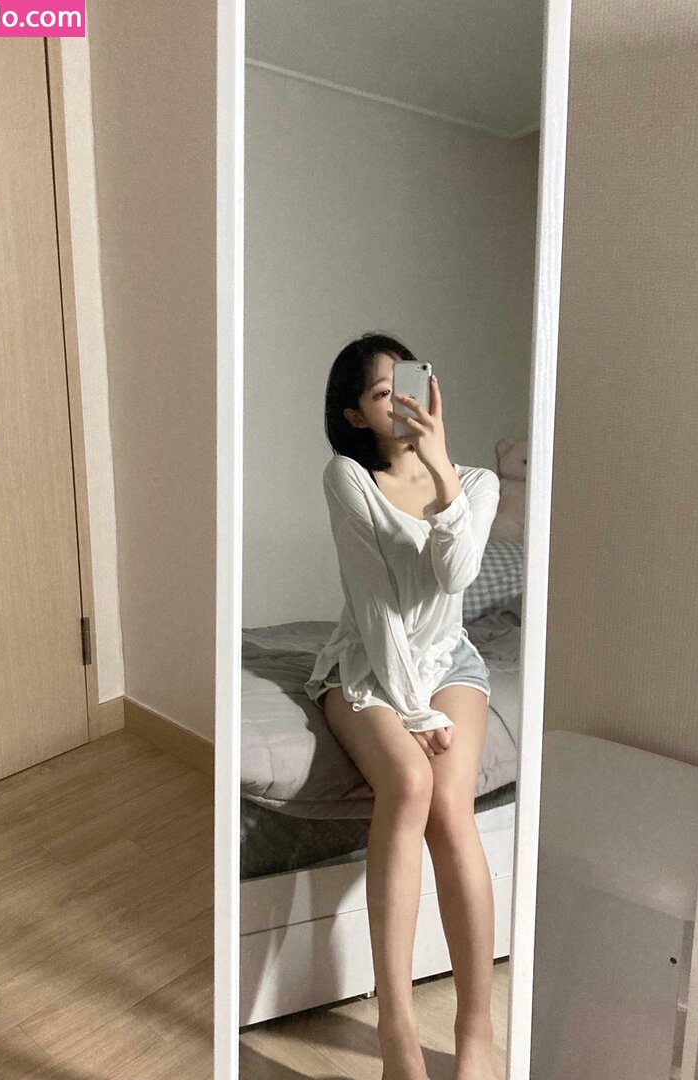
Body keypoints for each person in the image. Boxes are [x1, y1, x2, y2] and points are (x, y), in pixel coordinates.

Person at [303, 332, 502, 1080]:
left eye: (410, 383)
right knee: (412, 782)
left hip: (450, 661)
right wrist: (415, 713)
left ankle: (476, 1035)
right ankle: (399, 1033)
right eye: (385, 393)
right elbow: (378, 609)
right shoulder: (348, 478)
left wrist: (443, 472)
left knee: (451, 807)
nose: (405, 401)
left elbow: (455, 577)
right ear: (356, 414)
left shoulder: (477, 483)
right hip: (366, 664)